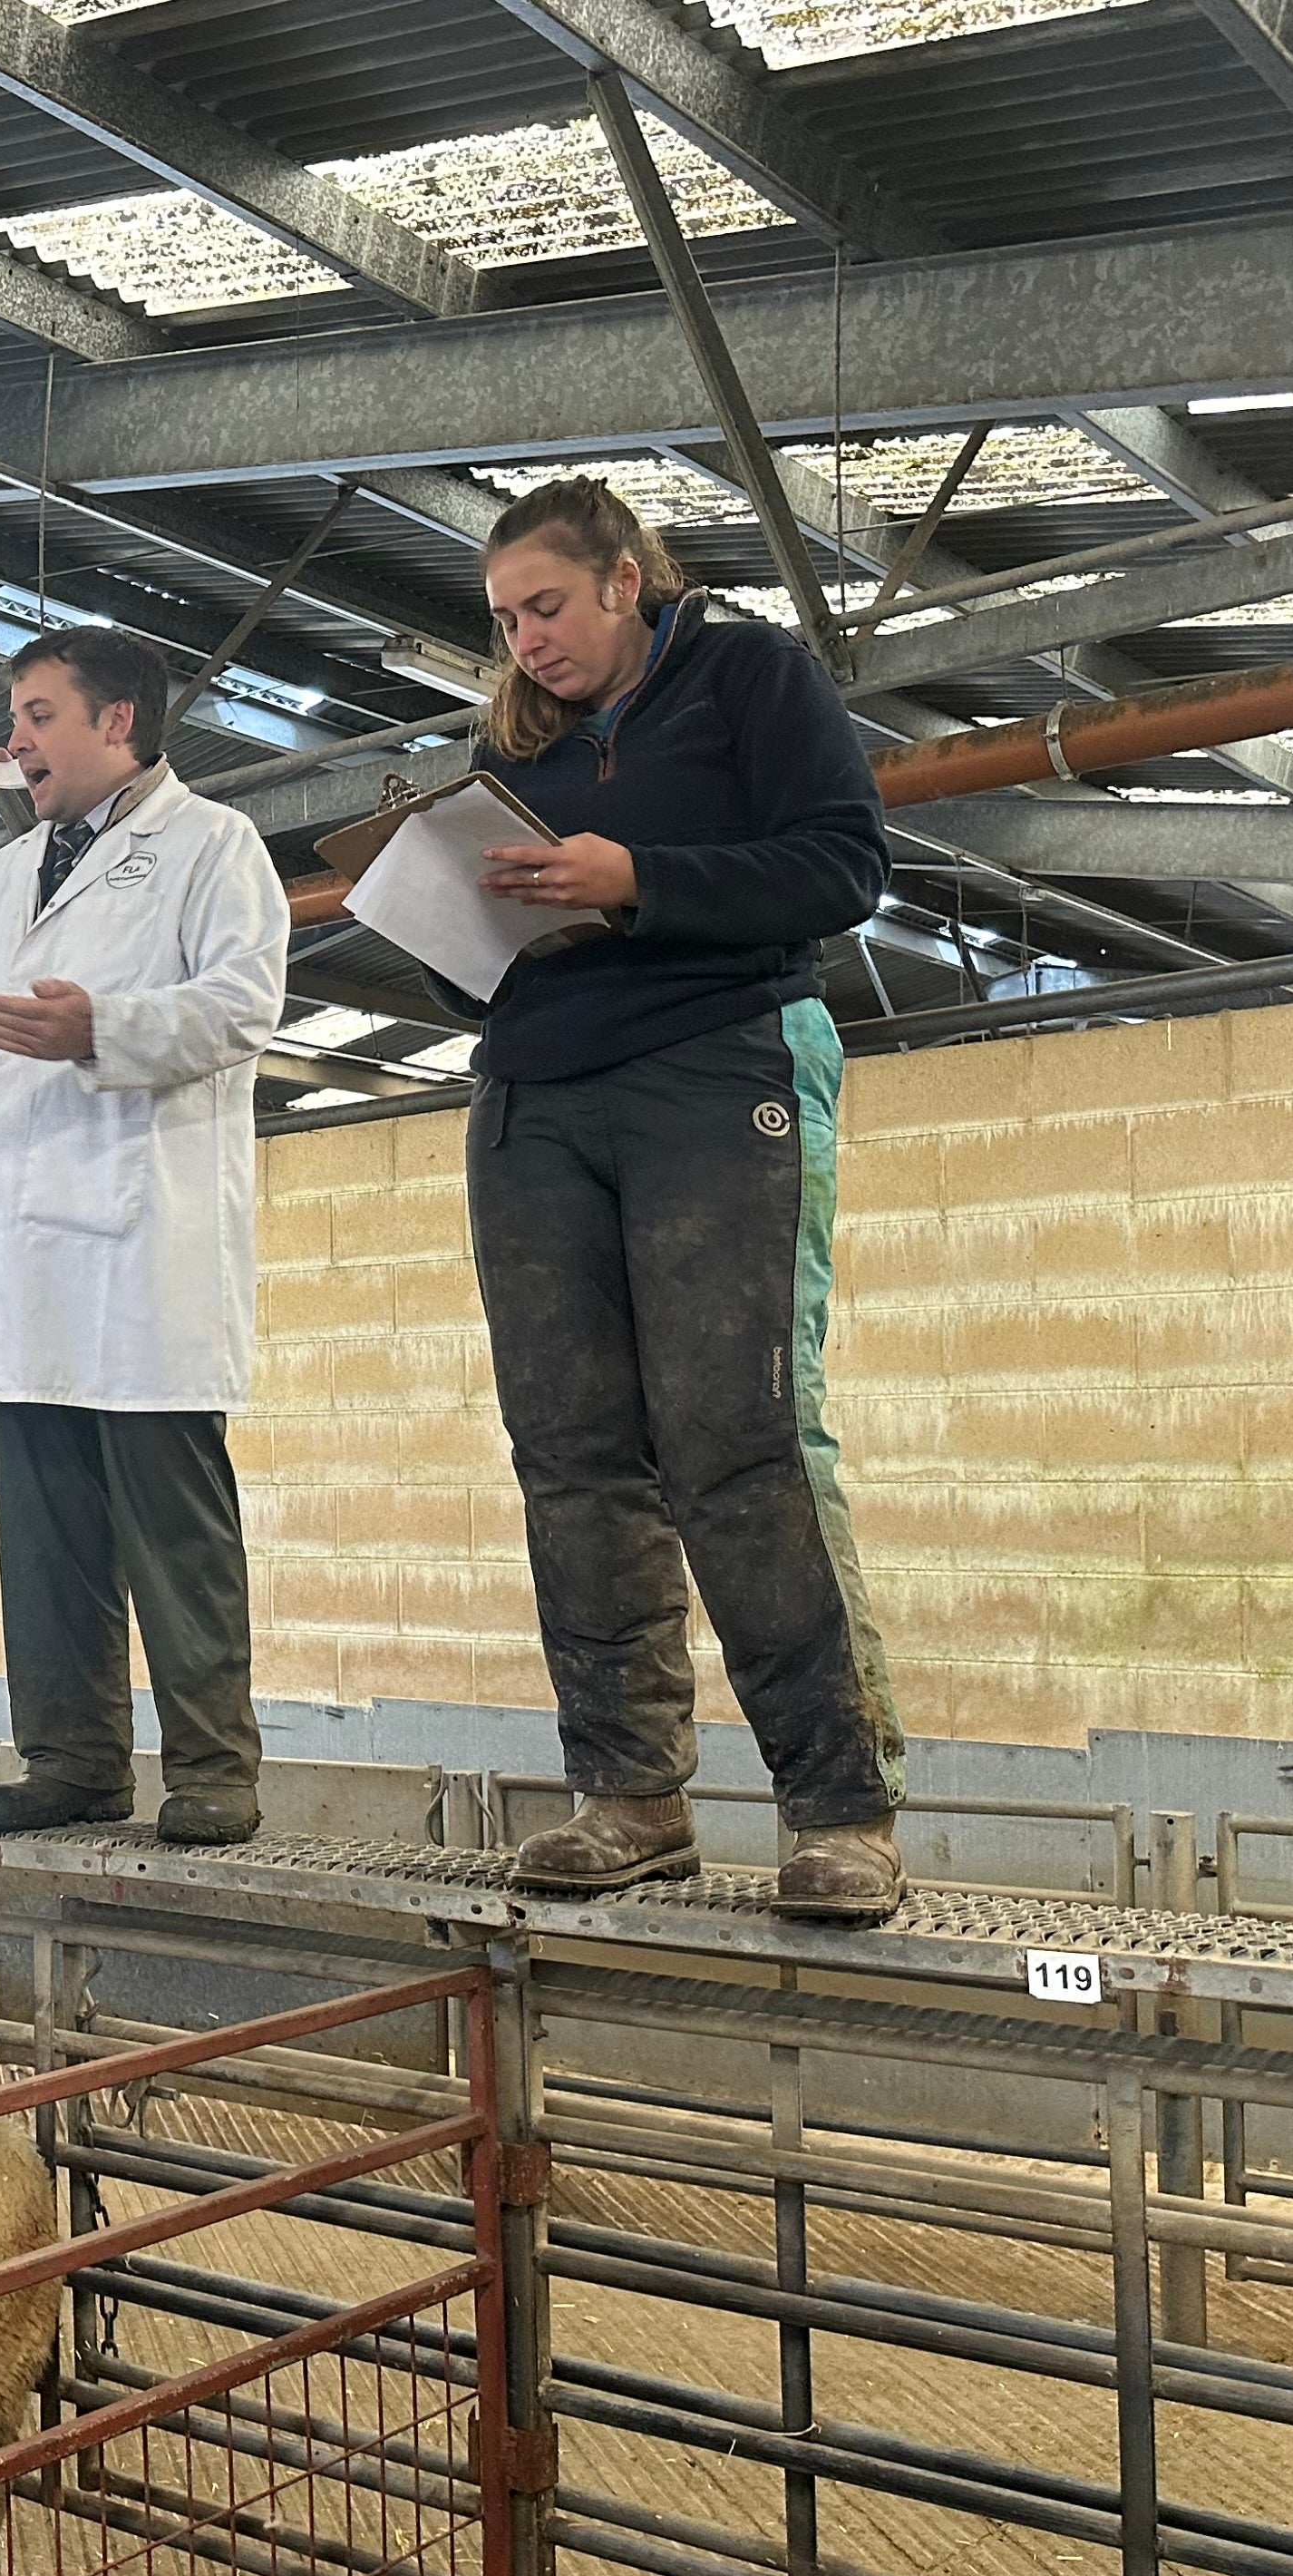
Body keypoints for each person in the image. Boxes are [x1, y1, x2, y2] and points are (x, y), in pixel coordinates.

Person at [448, 476, 909, 1920]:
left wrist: (635, 873)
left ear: (627, 579)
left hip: (714, 1065)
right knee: (572, 1453)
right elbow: (479, 940)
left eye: (548, 607)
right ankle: (629, 1795)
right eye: (506, 619)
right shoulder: (517, 741)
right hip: (533, 1096)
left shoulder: (749, 674)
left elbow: (846, 865)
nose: (528, 640)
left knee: (735, 1438)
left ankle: (840, 1808)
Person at [0, 625, 292, 1848]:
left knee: (171, 1525)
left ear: (118, 723)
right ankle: (72, 1761)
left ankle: (213, 1766)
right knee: (45, 1524)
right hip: (21, 1247)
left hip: (138, 1241)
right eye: (14, 716)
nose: (17, 740)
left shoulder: (213, 846)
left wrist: (99, 1028)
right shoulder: (4, 878)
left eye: (40, 715)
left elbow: (241, 1004)